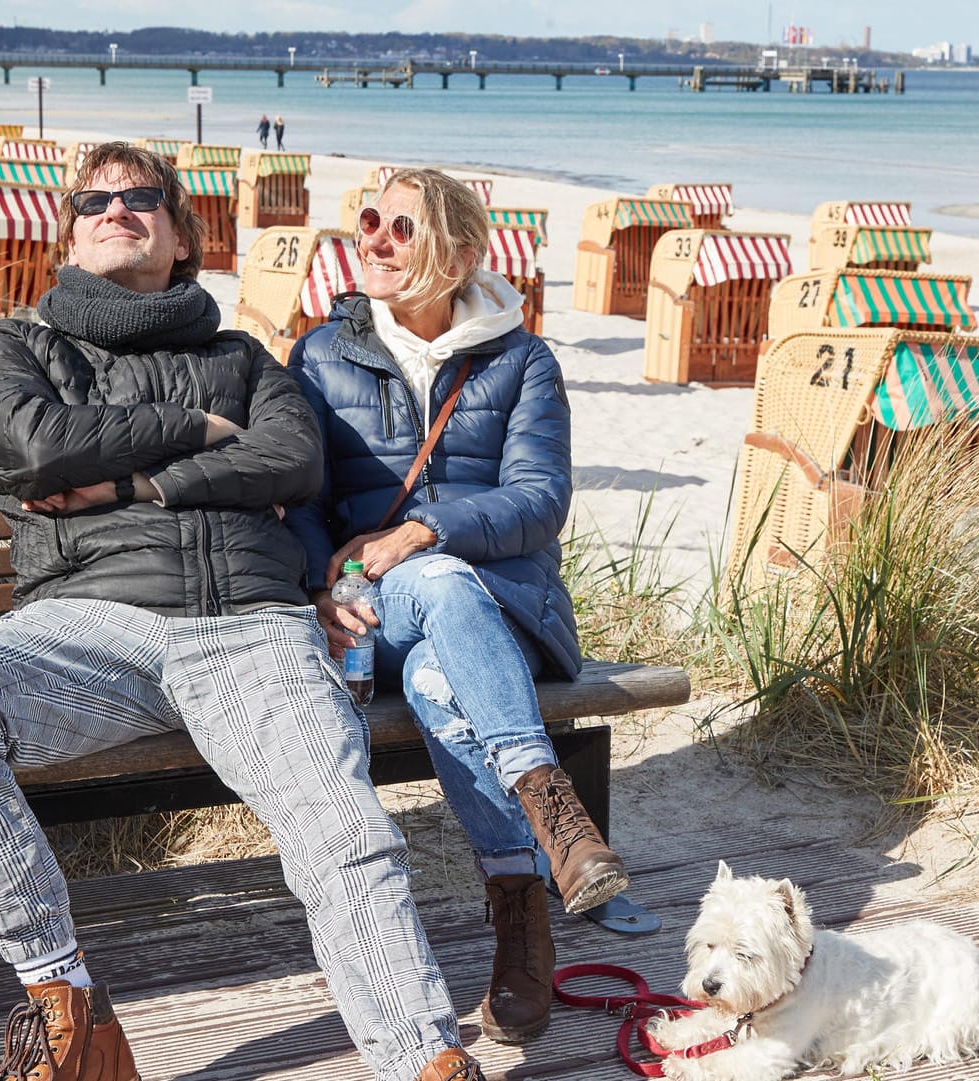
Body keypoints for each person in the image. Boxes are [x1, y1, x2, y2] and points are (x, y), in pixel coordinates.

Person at [0, 143, 486, 1081]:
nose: (117, 209)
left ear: (182, 232)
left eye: (141, 197)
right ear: (70, 232)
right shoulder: (15, 345)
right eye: (95, 199)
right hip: (84, 625)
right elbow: (35, 448)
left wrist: (130, 482)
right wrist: (198, 431)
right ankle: (67, 1006)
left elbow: (292, 461)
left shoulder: (242, 356)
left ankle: (425, 1057)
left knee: (340, 825)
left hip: (249, 624)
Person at [287, 168, 629, 1046]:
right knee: (430, 599)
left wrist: (425, 530)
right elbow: (299, 503)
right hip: (374, 619)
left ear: (466, 251)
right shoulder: (323, 355)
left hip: (505, 607)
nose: (375, 240)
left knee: (443, 675)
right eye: (368, 222)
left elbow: (539, 499)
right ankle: (547, 809)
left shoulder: (521, 359)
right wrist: (322, 585)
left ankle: (520, 910)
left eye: (402, 227)